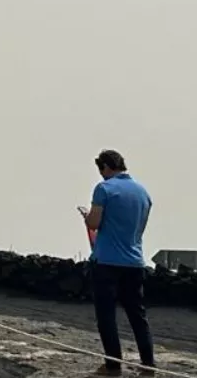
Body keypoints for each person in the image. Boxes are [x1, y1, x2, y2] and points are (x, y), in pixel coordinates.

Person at [85, 149, 155, 375]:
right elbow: (140, 229)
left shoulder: (104, 189)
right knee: (137, 315)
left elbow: (94, 223)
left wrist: (87, 216)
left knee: (106, 316)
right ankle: (148, 363)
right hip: (134, 261)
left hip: (106, 261)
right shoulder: (143, 192)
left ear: (106, 167)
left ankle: (113, 364)